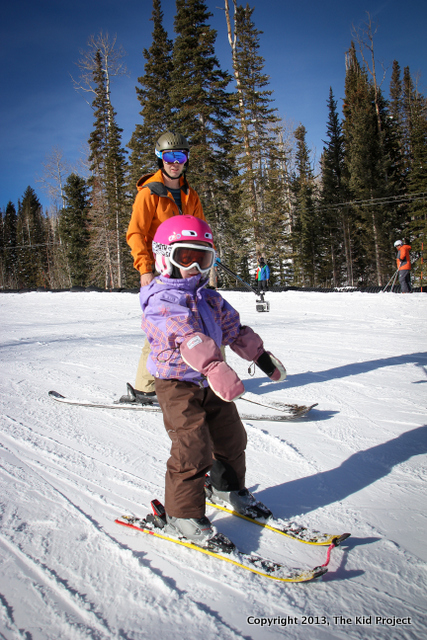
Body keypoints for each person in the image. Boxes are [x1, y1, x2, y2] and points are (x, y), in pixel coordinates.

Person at [139, 215, 287, 546]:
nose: (194, 267)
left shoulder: (209, 297)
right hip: (178, 384)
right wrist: (213, 365)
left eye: (202, 258)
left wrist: (259, 356)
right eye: (186, 257)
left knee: (231, 438)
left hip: (210, 381)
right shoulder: (159, 300)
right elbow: (182, 334)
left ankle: (226, 489)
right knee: (193, 446)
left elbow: (233, 328)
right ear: (166, 258)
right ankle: (183, 513)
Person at [126, 131, 207, 399]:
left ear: (186, 159)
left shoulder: (190, 194)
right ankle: (145, 388)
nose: (175, 162)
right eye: (169, 156)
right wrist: (145, 269)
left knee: (203, 319)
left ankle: (205, 378)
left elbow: (200, 231)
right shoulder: (148, 194)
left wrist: (207, 263)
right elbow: (136, 233)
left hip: (188, 268)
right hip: (161, 271)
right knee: (162, 327)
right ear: (160, 158)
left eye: (180, 156)